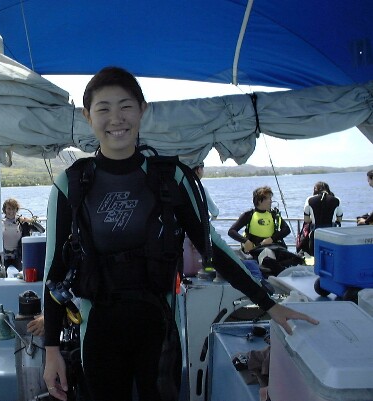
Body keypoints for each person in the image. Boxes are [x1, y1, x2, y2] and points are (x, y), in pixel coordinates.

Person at [42, 66, 317, 401]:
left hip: (158, 330)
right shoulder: (70, 185)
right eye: (103, 109)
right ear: (88, 116)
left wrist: (268, 304)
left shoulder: (171, 178)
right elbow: (54, 274)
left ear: (142, 110)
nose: (116, 118)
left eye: (126, 106)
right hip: (98, 331)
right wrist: (52, 350)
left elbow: (212, 248)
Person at [228, 186, 301, 276]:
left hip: (274, 247)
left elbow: (287, 230)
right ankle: (279, 273)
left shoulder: (273, 214)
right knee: (267, 256)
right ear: (259, 200)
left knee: (294, 259)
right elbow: (231, 231)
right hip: (257, 250)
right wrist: (245, 241)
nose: (271, 201)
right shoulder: (249, 215)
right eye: (268, 198)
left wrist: (272, 239)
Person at [302, 182, 343, 255]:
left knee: (315, 255)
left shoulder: (309, 200)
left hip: (315, 233)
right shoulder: (336, 200)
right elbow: (339, 219)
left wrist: (312, 219)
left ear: (316, 189)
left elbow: (306, 220)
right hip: (331, 233)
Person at [1, 198, 33, 271]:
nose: (11, 211)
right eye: (9, 208)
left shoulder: (21, 222)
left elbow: (41, 230)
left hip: (18, 256)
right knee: (1, 277)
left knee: (24, 275)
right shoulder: (0, 222)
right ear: (5, 210)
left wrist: (30, 221)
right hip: (3, 256)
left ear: (16, 210)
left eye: (13, 209)